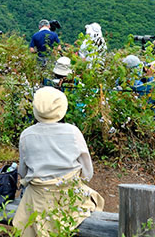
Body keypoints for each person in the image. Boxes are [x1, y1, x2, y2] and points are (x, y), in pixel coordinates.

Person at [13, 87, 104, 237]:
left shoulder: (26, 135)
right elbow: (88, 172)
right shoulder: (73, 132)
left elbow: (22, 172)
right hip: (69, 197)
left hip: (37, 199)